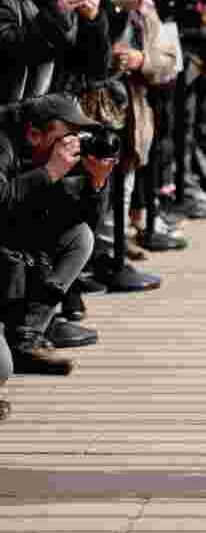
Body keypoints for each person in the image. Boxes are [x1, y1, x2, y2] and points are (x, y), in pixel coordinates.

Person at [0, 94, 117, 375]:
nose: (73, 144)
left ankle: (28, 337)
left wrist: (96, 183)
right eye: (66, 136)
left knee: (80, 237)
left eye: (78, 135)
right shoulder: (3, 146)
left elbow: (87, 223)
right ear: (34, 134)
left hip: (18, 244)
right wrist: (50, 171)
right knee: (2, 371)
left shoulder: (57, 154)